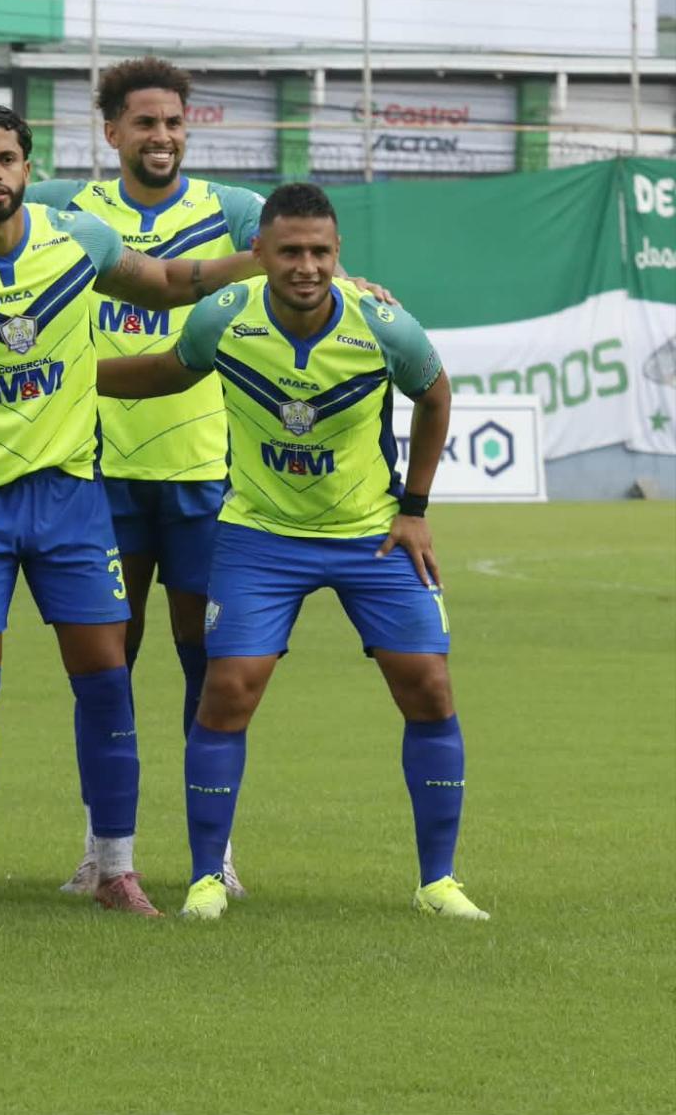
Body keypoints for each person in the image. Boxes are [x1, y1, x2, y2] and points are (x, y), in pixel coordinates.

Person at [0, 105, 264, 918]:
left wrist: (273, 264)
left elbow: (163, 284)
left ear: (26, 164)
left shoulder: (75, 238)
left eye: (7, 158)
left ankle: (116, 868)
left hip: (74, 499)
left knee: (106, 682)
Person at [95, 182, 487, 923]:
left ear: (338, 256)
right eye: (290, 252)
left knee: (429, 687)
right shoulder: (224, 317)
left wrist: (415, 510)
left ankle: (439, 881)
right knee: (228, 688)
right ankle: (209, 876)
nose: (305, 266)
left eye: (319, 252)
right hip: (260, 534)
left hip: (369, 534)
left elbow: (435, 394)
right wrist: (68, 380)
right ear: (260, 255)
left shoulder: (383, 324)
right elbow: (162, 373)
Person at [23, 56, 262, 896]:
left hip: (202, 474)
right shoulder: (65, 208)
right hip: (98, 474)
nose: (160, 137)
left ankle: (213, 852)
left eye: (173, 122)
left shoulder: (233, 213)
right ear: (111, 130)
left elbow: (311, 256)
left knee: (209, 665)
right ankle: (103, 850)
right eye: (144, 123)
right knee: (105, 668)